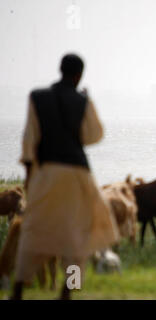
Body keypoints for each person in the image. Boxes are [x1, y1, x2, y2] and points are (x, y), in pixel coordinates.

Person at [11, 54, 119, 300]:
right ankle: (68, 291)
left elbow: (29, 139)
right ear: (79, 75)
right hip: (78, 174)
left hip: (46, 172)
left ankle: (17, 289)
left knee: (34, 229)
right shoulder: (82, 100)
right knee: (76, 236)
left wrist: (30, 179)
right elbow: (93, 135)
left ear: (59, 70)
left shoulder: (37, 97)